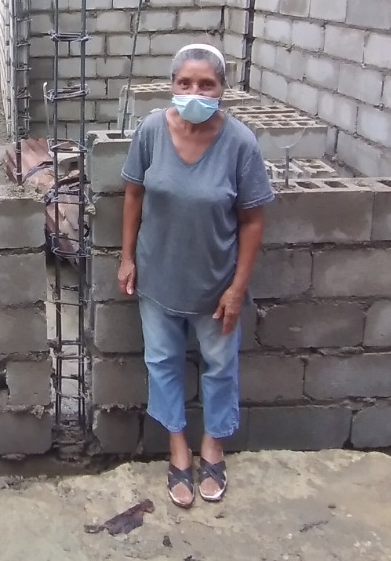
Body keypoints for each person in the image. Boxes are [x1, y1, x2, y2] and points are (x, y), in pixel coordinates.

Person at [117, 43, 274, 508]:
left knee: (220, 367)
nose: (194, 93)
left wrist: (237, 287)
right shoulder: (151, 130)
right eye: (184, 83)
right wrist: (127, 258)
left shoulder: (240, 143)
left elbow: (252, 220)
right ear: (172, 86)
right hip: (158, 279)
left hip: (215, 286)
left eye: (206, 84)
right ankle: (178, 448)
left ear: (223, 89)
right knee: (162, 362)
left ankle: (213, 444)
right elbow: (133, 196)